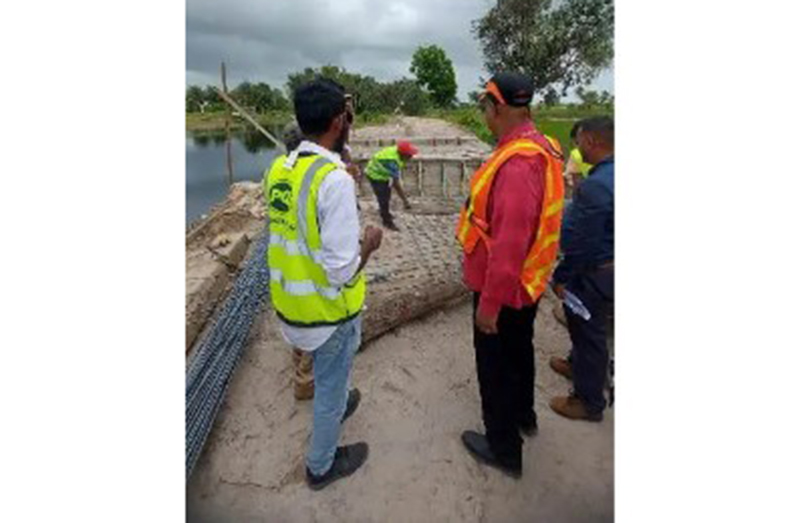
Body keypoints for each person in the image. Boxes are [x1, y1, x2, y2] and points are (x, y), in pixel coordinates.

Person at [264, 78, 384, 490]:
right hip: (326, 313)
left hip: (290, 307)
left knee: (332, 376)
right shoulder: (333, 180)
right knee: (330, 388)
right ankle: (321, 466)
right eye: (347, 115)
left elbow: (298, 234)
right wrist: (367, 246)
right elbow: (340, 270)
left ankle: (340, 400)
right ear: (339, 121)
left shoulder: (280, 168)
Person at [455, 72, 565, 478]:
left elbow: (509, 243)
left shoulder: (518, 164)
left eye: (484, 107)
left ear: (497, 108)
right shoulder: (544, 147)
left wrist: (489, 304)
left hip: (503, 287)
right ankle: (524, 416)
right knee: (520, 352)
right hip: (529, 283)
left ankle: (504, 448)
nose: (483, 115)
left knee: (496, 366)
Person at [549, 116, 614, 422]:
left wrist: (563, 276)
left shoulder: (597, 185)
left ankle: (588, 402)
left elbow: (583, 243)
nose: (578, 148)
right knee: (585, 327)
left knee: (589, 332)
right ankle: (577, 366)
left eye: (579, 142)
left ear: (590, 140)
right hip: (606, 267)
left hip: (594, 272)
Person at [364, 141, 417, 231]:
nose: (411, 157)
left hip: (383, 174)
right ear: (403, 154)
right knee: (383, 198)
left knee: (387, 194)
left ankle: (386, 213)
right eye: (409, 155)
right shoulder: (392, 161)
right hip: (374, 175)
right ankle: (387, 222)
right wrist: (405, 201)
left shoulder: (397, 154)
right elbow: (396, 184)